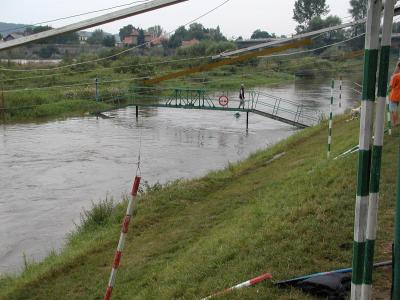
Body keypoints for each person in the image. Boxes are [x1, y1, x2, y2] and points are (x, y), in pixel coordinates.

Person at [389, 61, 400, 126]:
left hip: (394, 95)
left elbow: (391, 86)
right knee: (395, 109)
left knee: (393, 110)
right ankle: (397, 121)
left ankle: (395, 123)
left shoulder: (396, 76)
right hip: (398, 96)